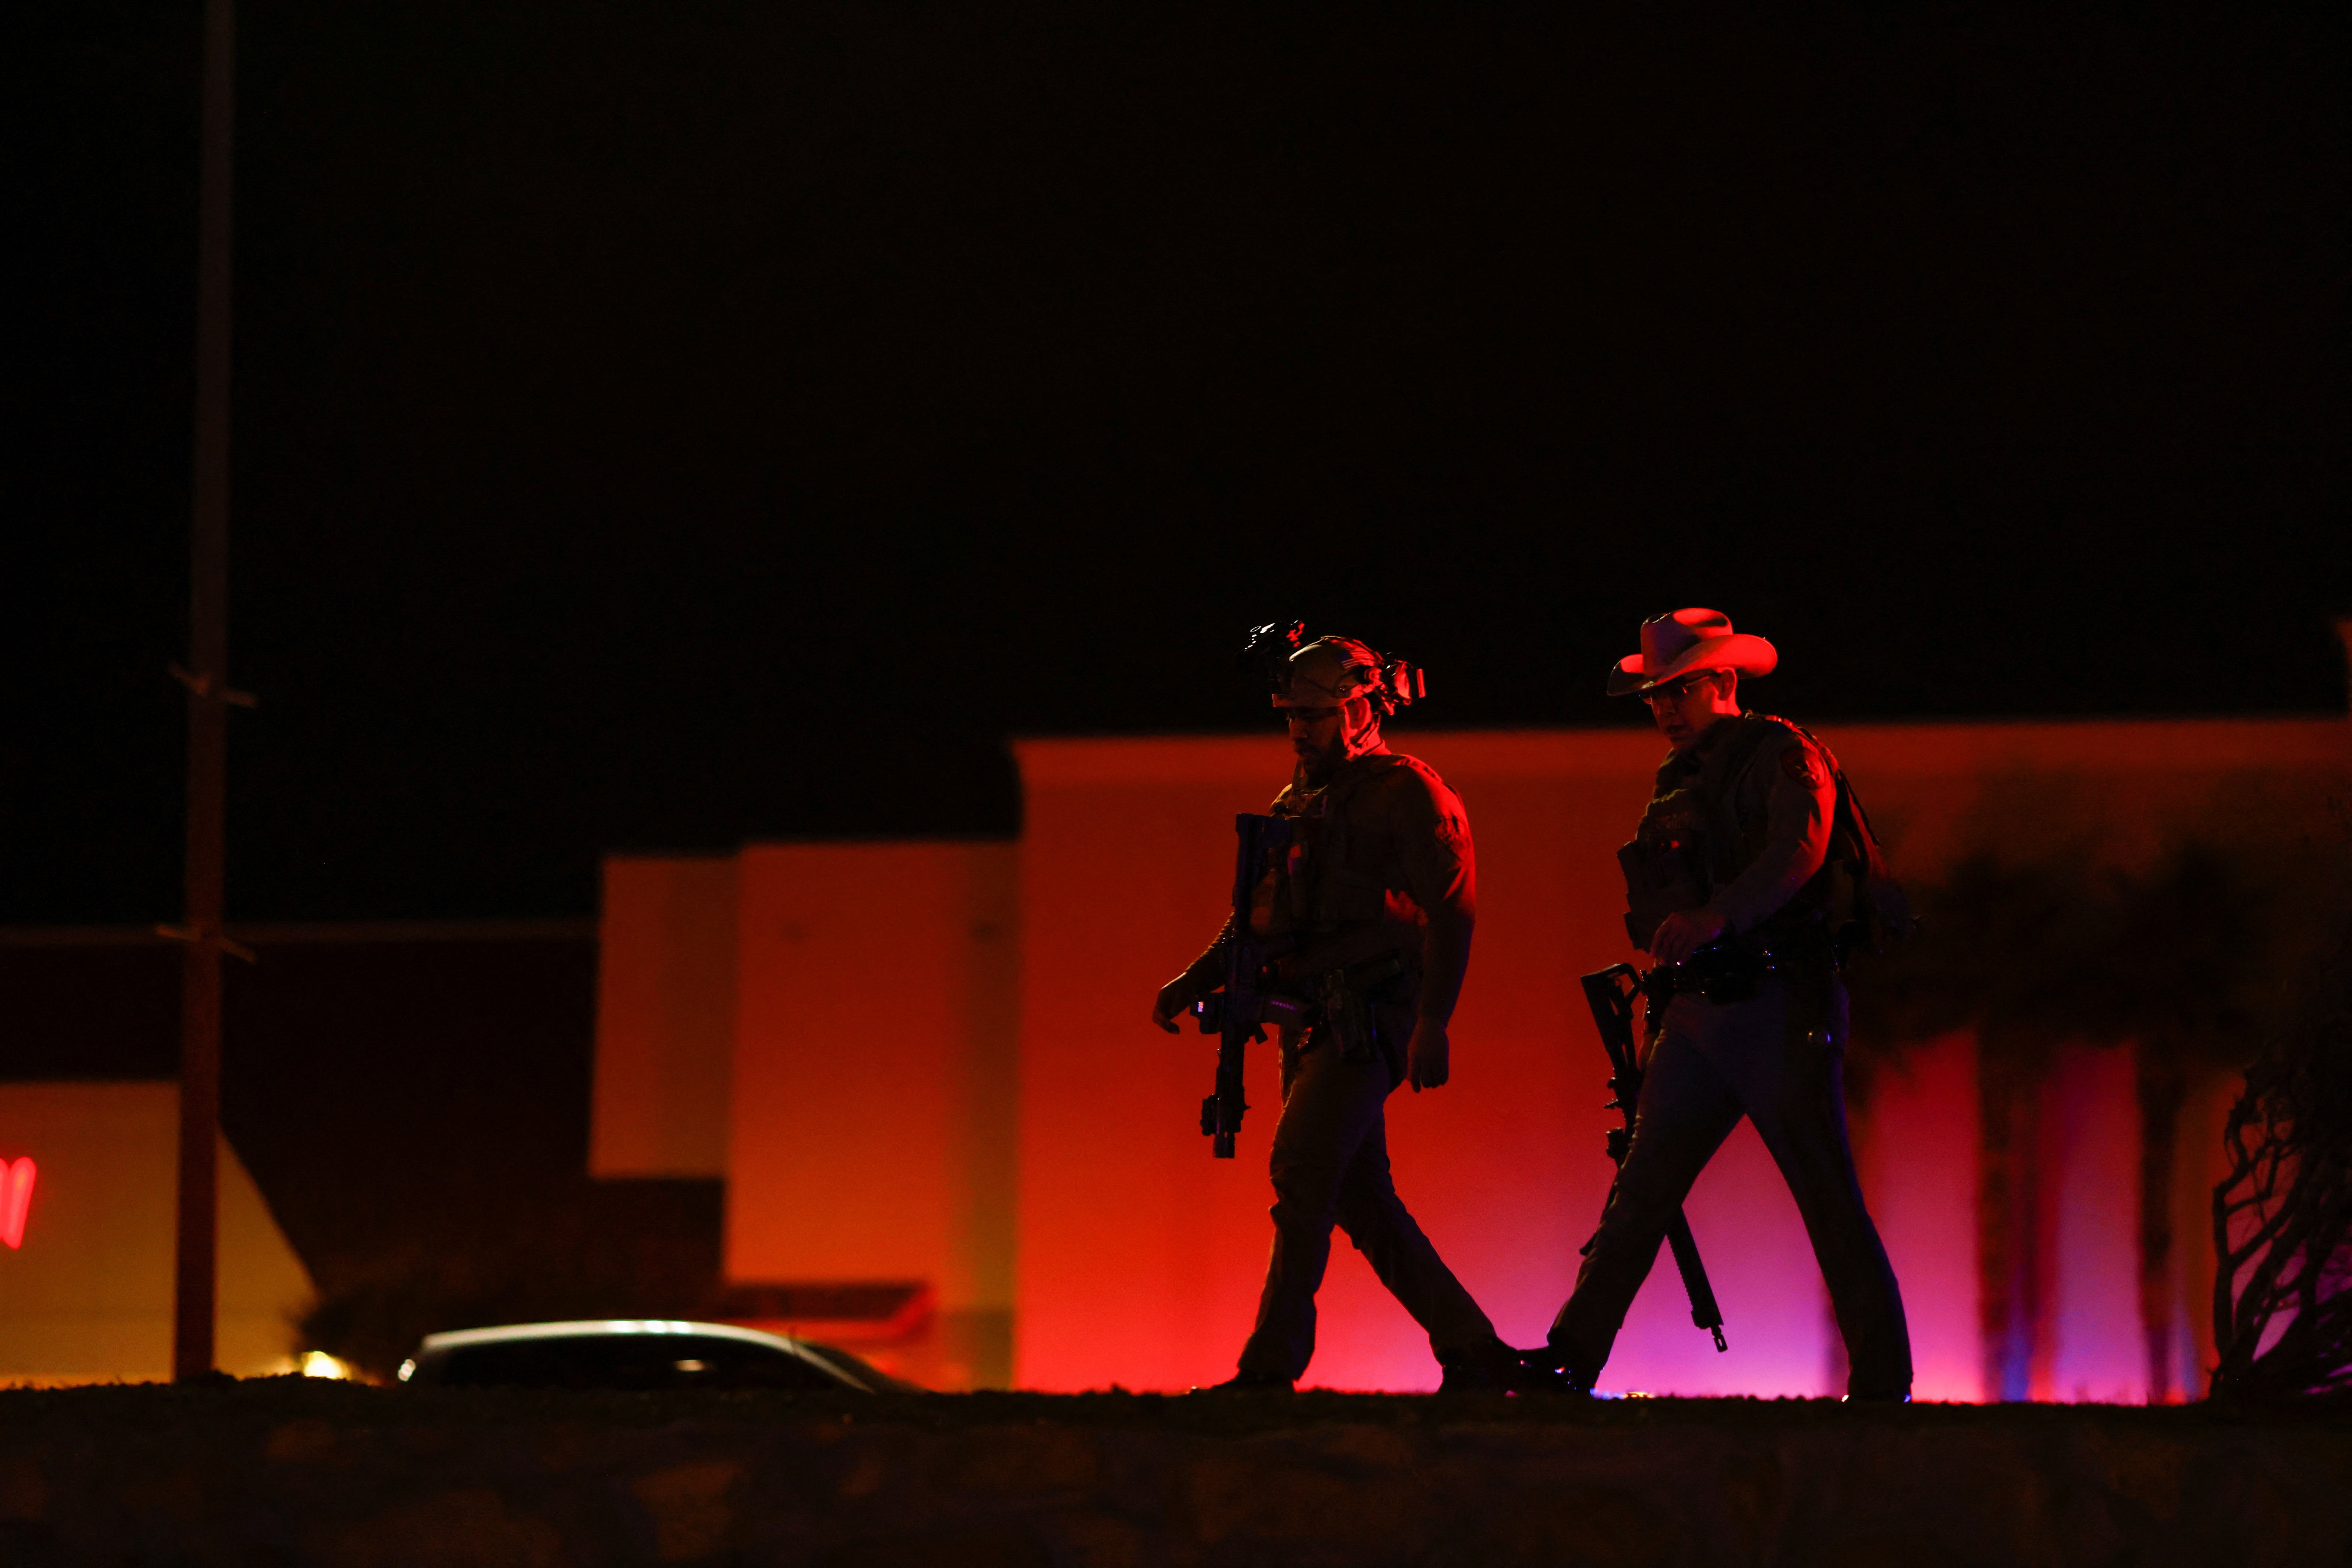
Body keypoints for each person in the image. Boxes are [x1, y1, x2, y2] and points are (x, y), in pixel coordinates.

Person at [1540, 608, 1913, 1400]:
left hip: (1781, 1002)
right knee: (1639, 1194)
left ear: (1724, 682)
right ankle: (1571, 1358)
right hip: (1699, 1014)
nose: (1665, 710)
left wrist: (1717, 916)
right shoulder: (1677, 780)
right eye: (1655, 696)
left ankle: (1882, 1382)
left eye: (1678, 691)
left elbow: (1797, 855)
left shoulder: (1783, 754)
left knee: (1826, 1197)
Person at [1151, 629, 1526, 1393]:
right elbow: (1255, 917)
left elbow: (1453, 915)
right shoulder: (1300, 799)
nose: (1298, 730)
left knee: (1300, 1170)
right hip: (1310, 1021)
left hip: (1371, 1019)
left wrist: (1432, 1022)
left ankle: (1269, 1370)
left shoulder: (1410, 793)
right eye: (1289, 715)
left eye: (1314, 717)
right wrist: (1195, 978)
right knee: (1361, 1199)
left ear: (1360, 711)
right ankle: (1473, 1349)